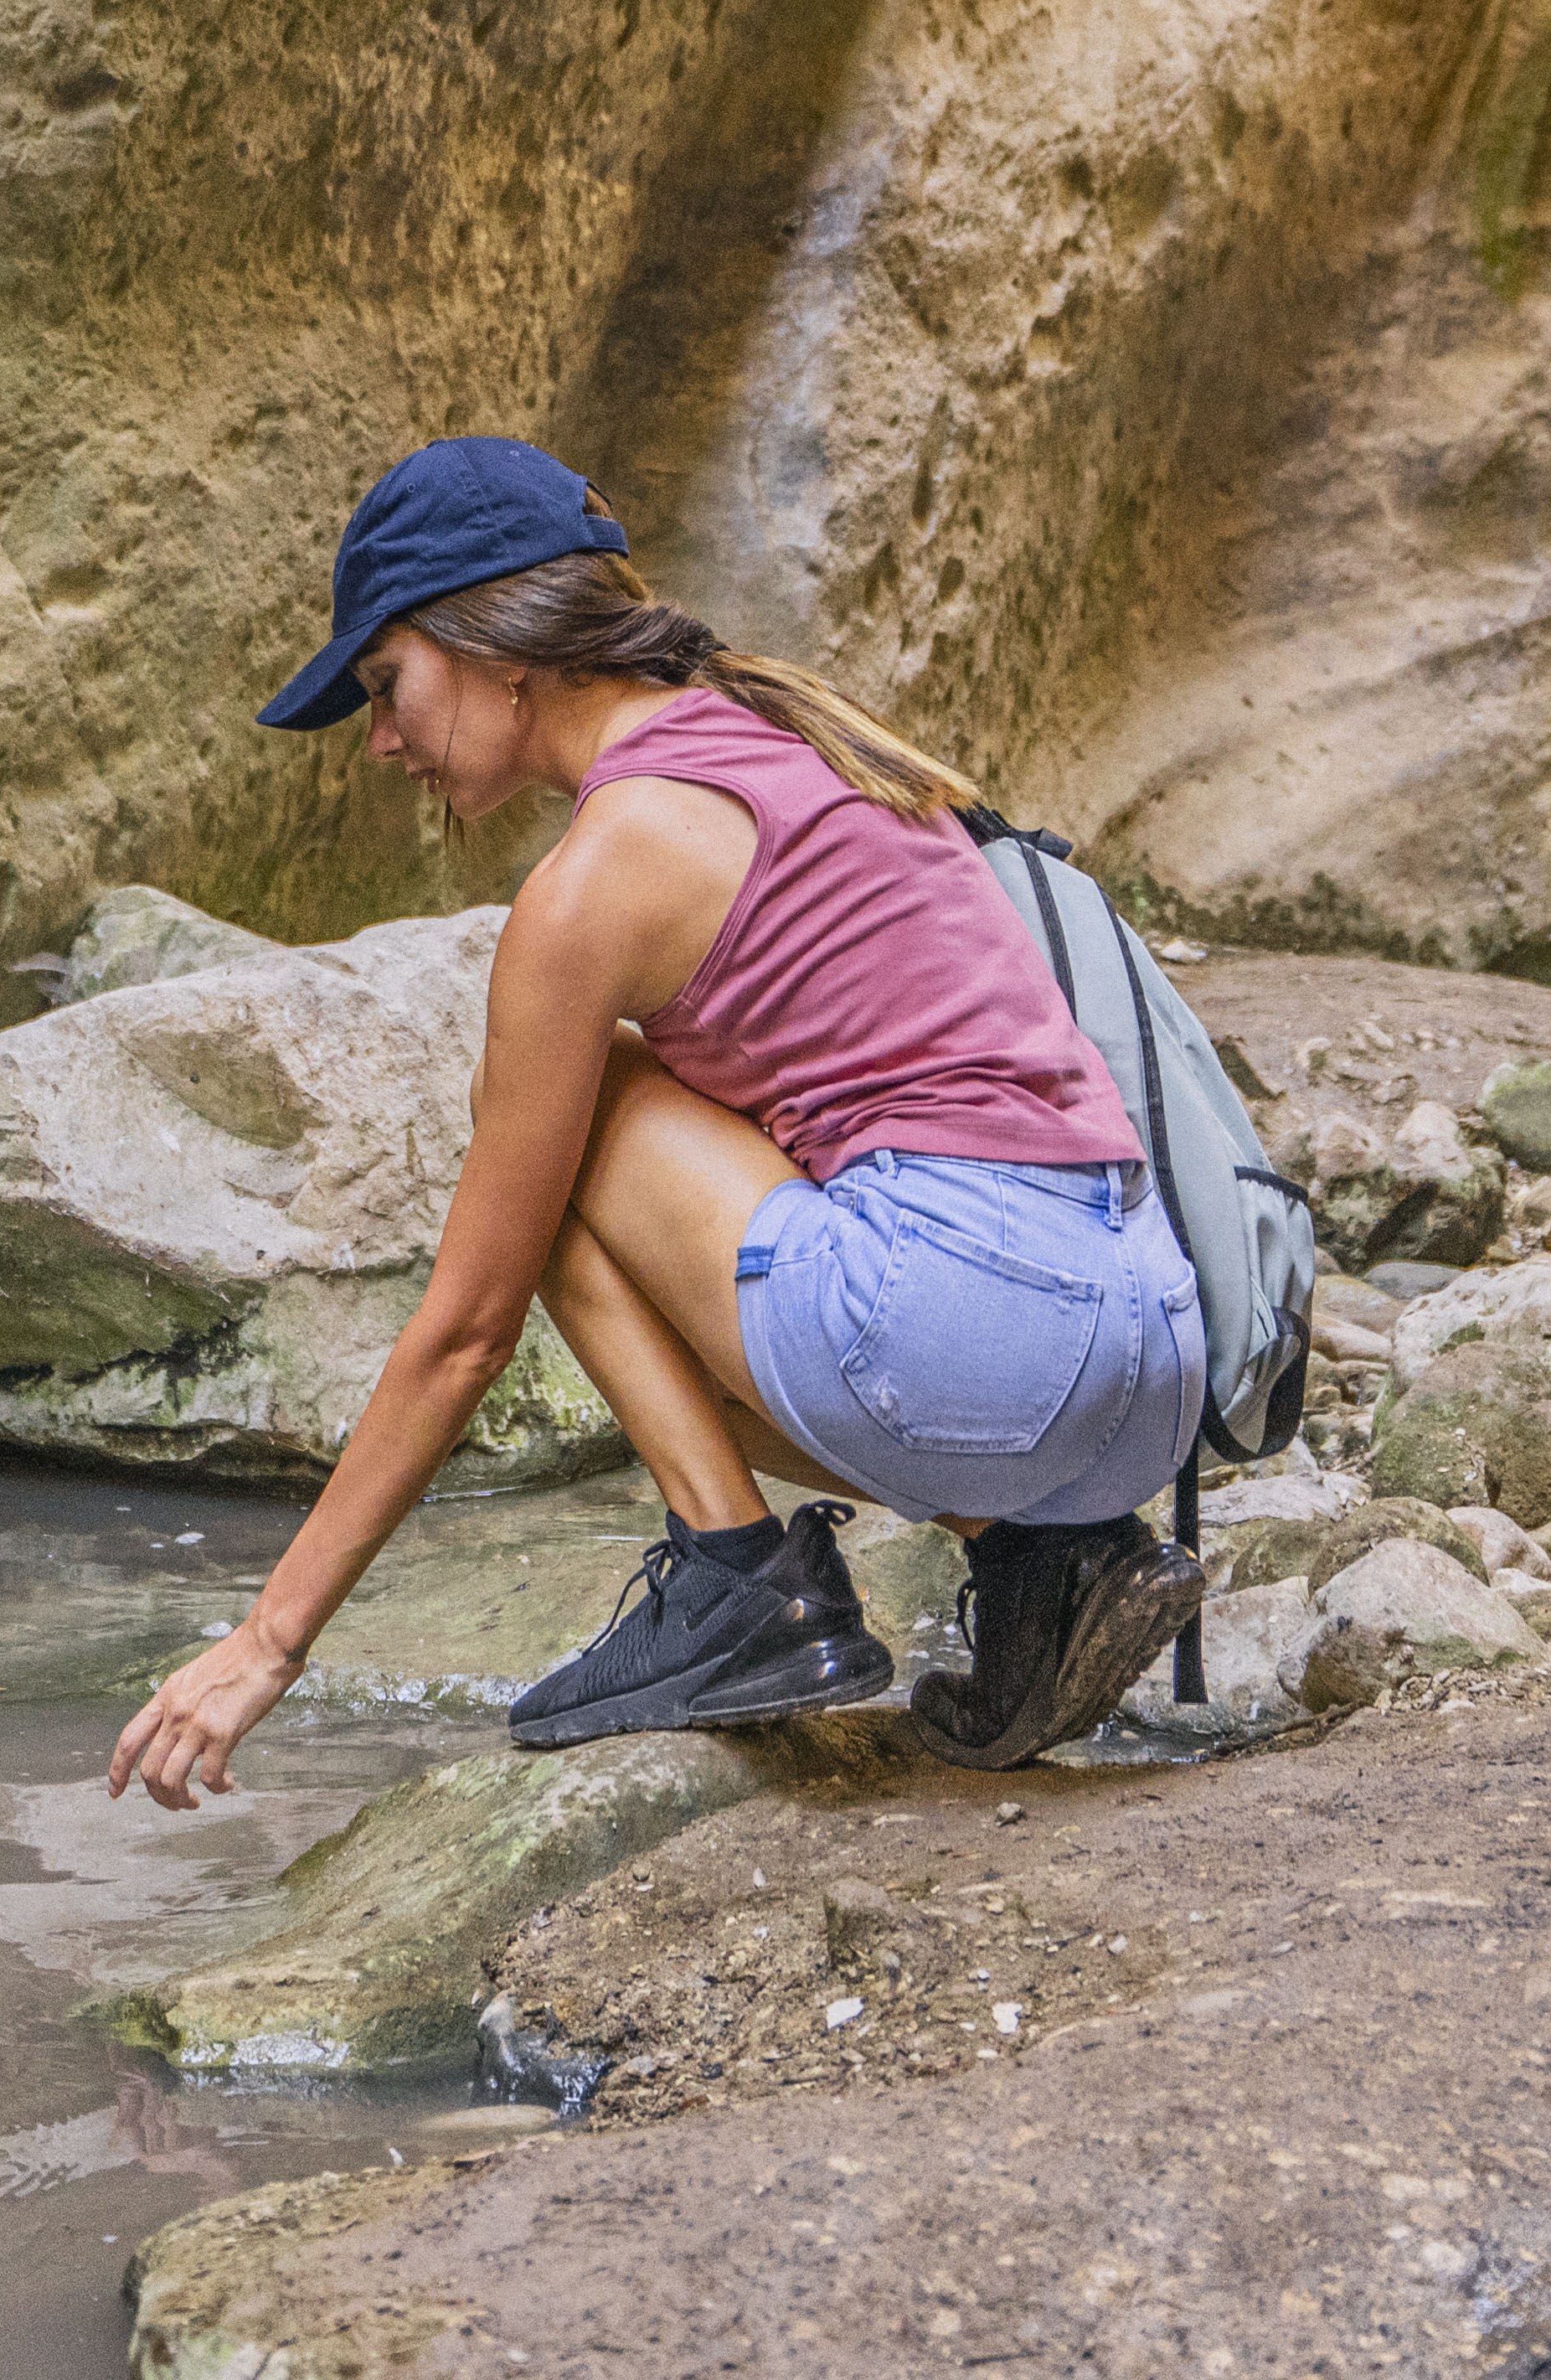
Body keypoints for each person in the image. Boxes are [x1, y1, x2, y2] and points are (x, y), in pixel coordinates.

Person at [103, 441, 1212, 1806]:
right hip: (1151, 1352)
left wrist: (265, 1641)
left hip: (975, 1326)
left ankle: (738, 1577)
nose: (380, 738)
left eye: (387, 684)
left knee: (559, 1123)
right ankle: (1045, 1555)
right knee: (641, 1141)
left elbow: (466, 1329)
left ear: (495, 637)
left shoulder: (603, 872)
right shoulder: (792, 736)